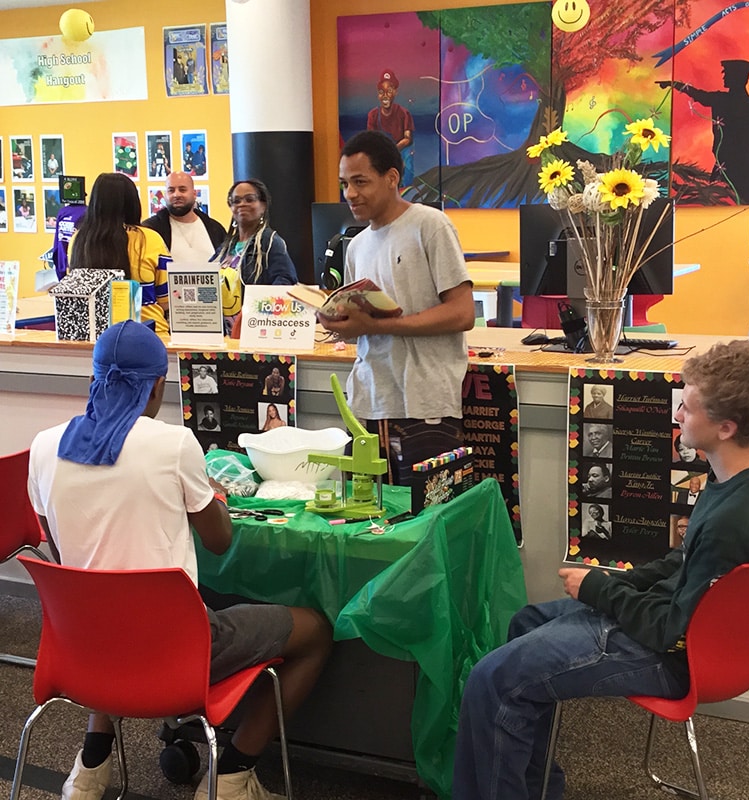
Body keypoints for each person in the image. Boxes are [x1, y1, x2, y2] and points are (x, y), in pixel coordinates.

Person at [453, 340, 749, 800]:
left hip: (679, 655)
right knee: (525, 623)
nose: (677, 415)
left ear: (725, 426)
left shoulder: (735, 521)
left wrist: (599, 589)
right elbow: (685, 560)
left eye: (689, 408)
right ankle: (535, 789)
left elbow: (667, 631)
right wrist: (622, 581)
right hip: (711, 632)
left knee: (493, 681)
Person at [27, 321, 332, 800]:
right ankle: (233, 772)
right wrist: (215, 500)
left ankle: (91, 765)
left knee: (106, 601)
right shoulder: (174, 445)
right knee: (316, 629)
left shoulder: (44, 446)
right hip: (175, 654)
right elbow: (218, 542)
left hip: (85, 650)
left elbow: (67, 558)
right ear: (156, 387)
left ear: (95, 379)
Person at [318, 131, 474, 486]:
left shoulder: (430, 225)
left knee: (426, 520)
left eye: (360, 182)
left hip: (425, 403)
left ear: (392, 178)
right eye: (344, 184)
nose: (350, 194)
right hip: (368, 402)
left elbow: (462, 313)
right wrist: (337, 320)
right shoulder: (356, 245)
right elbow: (363, 320)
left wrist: (375, 326)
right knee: (367, 519)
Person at [657, 60, 749, 205]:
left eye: (727, 74)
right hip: (743, 168)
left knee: (718, 205)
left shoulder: (721, 100)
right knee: (740, 205)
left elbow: (697, 94)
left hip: (729, 167)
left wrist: (674, 84)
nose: (724, 77)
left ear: (738, 77)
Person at [67, 173, 170, 334]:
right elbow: (166, 300)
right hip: (149, 334)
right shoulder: (150, 238)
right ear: (133, 203)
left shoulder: (78, 240)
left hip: (97, 338)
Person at [213, 179, 297, 289]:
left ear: (263, 206)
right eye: (236, 201)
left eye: (249, 199)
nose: (242, 204)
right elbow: (207, 275)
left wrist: (259, 303)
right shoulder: (226, 247)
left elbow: (286, 280)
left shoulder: (270, 242)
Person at [141, 172, 226, 263]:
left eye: (182, 190)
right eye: (171, 190)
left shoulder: (215, 229)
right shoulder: (150, 230)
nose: (176, 195)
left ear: (194, 194)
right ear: (165, 195)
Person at [367, 69, 415, 183]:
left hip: (400, 154)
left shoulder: (404, 113)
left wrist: (394, 150)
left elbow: (408, 139)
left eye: (389, 91)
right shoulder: (373, 115)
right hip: (381, 155)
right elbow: (370, 140)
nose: (385, 96)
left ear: (395, 92)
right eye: (381, 92)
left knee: (406, 171)